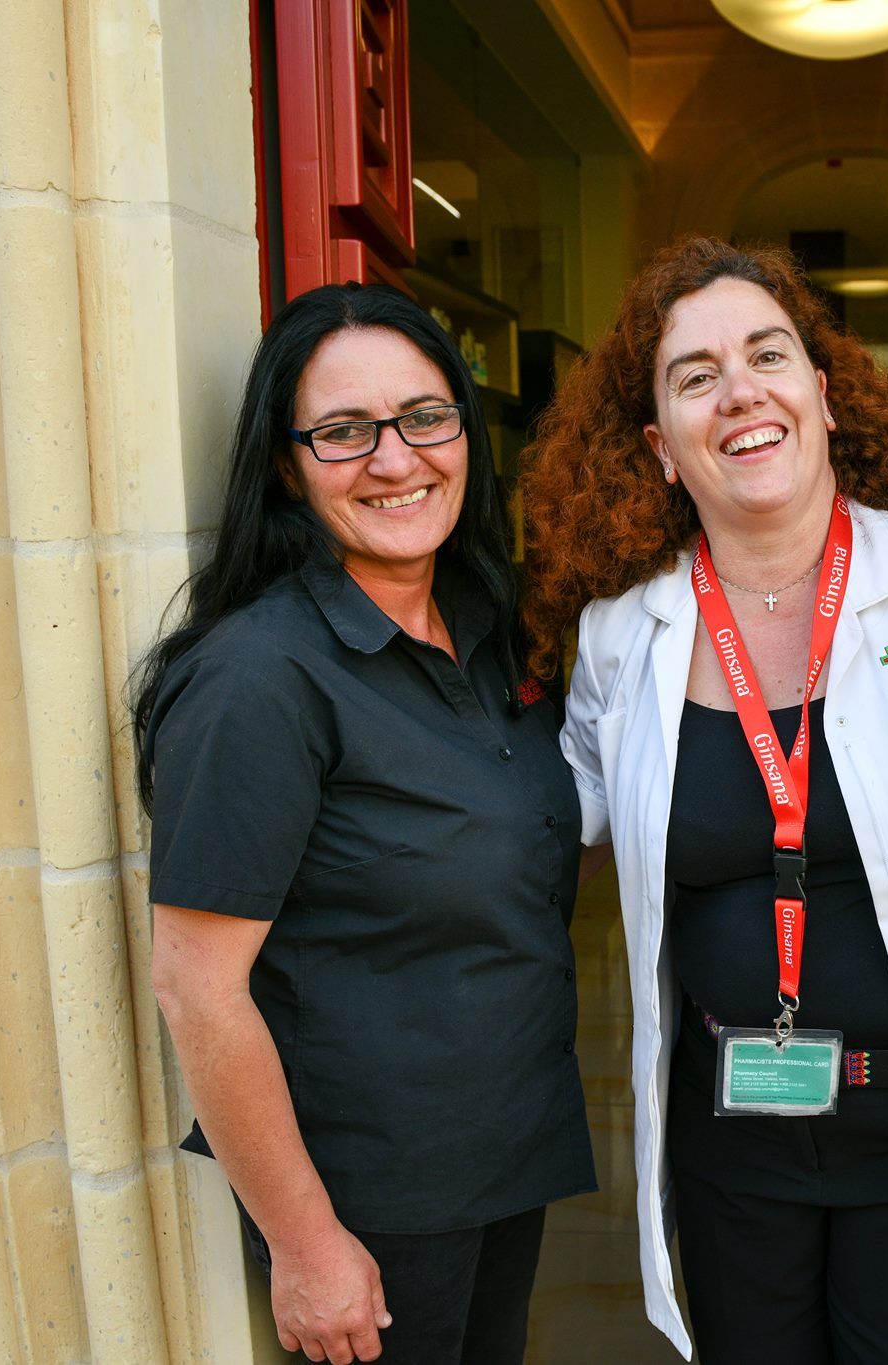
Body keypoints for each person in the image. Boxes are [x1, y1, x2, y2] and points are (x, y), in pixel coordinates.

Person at [519, 237, 888, 1365]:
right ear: (660, 447)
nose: (739, 391)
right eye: (695, 376)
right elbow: (556, 831)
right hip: (732, 1140)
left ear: (823, 398)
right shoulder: (620, 634)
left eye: (767, 354)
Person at [134, 283, 593, 1365]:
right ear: (286, 465)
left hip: (503, 1155)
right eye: (343, 432)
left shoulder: (491, 627)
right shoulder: (257, 679)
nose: (396, 459)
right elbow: (197, 988)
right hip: (374, 1206)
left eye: (425, 417)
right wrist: (305, 1245)